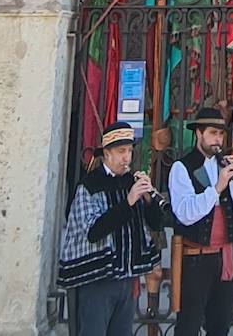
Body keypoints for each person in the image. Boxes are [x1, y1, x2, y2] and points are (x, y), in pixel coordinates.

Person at [58, 120, 163, 336]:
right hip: (98, 279)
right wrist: (129, 200)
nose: (127, 157)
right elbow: (94, 231)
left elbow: (154, 224)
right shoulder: (90, 185)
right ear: (106, 153)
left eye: (130, 151)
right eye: (121, 151)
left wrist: (149, 201)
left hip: (126, 278)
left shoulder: (130, 182)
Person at [168, 105, 233, 336]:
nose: (217, 140)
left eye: (220, 134)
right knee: (189, 325)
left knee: (220, 326)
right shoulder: (182, 167)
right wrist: (217, 188)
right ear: (198, 133)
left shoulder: (227, 166)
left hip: (224, 258)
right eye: (212, 133)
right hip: (196, 261)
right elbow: (185, 212)